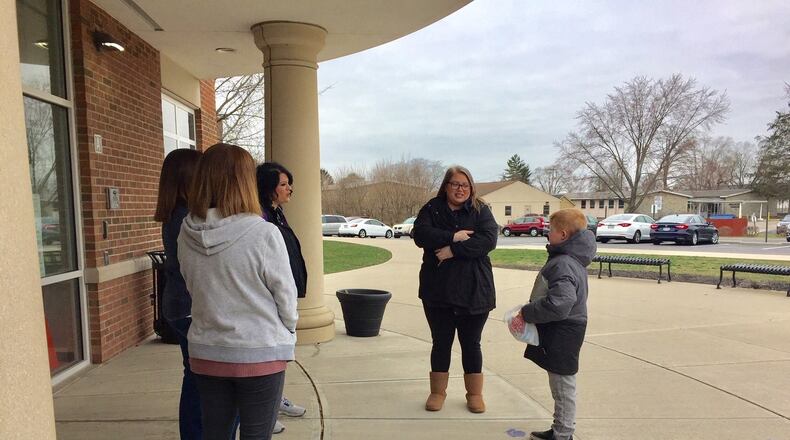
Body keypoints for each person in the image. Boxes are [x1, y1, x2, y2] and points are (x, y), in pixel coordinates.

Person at [178, 143, 298, 440]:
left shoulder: (186, 231)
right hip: (260, 352)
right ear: (245, 180)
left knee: (215, 434)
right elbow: (286, 295)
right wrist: (288, 330)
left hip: (208, 351)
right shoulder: (263, 233)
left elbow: (192, 285)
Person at [413, 165, 498, 413]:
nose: (460, 189)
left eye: (465, 185)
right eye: (455, 184)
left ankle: (474, 394)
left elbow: (488, 240)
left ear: (471, 187)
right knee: (441, 342)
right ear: (446, 186)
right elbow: (420, 234)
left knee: (471, 343)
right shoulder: (432, 208)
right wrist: (454, 236)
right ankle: (437, 392)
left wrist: (453, 250)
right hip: (437, 290)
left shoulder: (481, 210)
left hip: (474, 290)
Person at [519, 209, 596, 440]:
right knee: (561, 384)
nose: (546, 233)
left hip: (564, 329)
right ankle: (561, 429)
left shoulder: (563, 263)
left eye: (550, 230)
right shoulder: (570, 259)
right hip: (567, 327)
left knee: (562, 386)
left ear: (563, 235)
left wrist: (527, 312)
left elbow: (560, 304)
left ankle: (563, 435)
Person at [154, 148, 204, 439]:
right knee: (200, 378)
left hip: (178, 303)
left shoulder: (176, 214)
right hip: (187, 306)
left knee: (194, 373)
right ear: (189, 177)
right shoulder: (186, 219)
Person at [255, 162, 308, 434]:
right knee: (272, 355)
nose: (290, 189)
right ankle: (265, 410)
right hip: (270, 297)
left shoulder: (277, 213)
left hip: (284, 290)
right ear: (269, 189)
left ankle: (275, 401)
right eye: (284, 184)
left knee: (280, 355)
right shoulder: (260, 217)